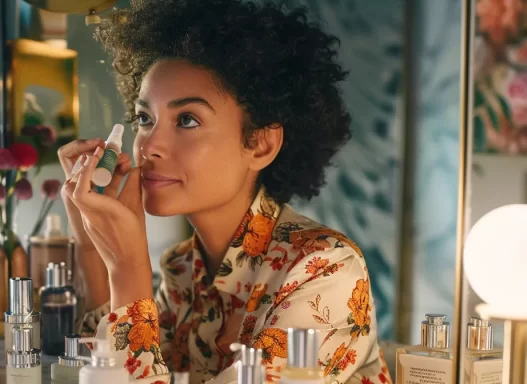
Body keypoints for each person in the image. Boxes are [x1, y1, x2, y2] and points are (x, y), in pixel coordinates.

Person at [59, 0, 390, 382]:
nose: (148, 146)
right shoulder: (184, 268)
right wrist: (89, 244)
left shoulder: (326, 270)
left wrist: (128, 269)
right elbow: (107, 367)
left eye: (187, 120)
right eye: (145, 118)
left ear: (260, 144)